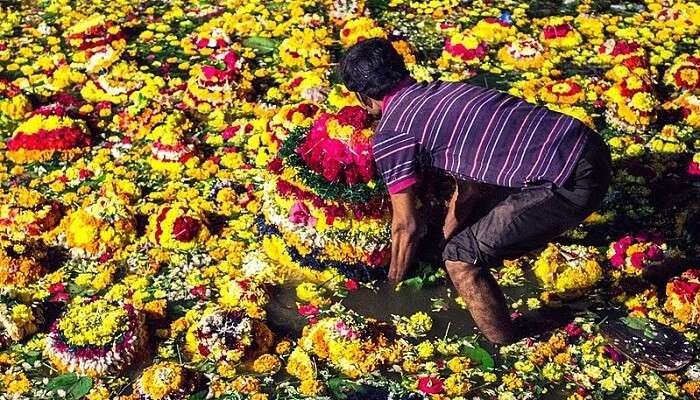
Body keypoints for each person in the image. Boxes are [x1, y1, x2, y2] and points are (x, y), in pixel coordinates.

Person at [339, 38, 612, 344]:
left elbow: (406, 226)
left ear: (363, 97)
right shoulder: (449, 90)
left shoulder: (392, 132)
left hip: (571, 181)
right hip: (591, 146)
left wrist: (393, 287)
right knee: (468, 232)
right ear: (402, 70)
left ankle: (507, 342)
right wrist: (443, 237)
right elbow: (472, 186)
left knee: (461, 260)